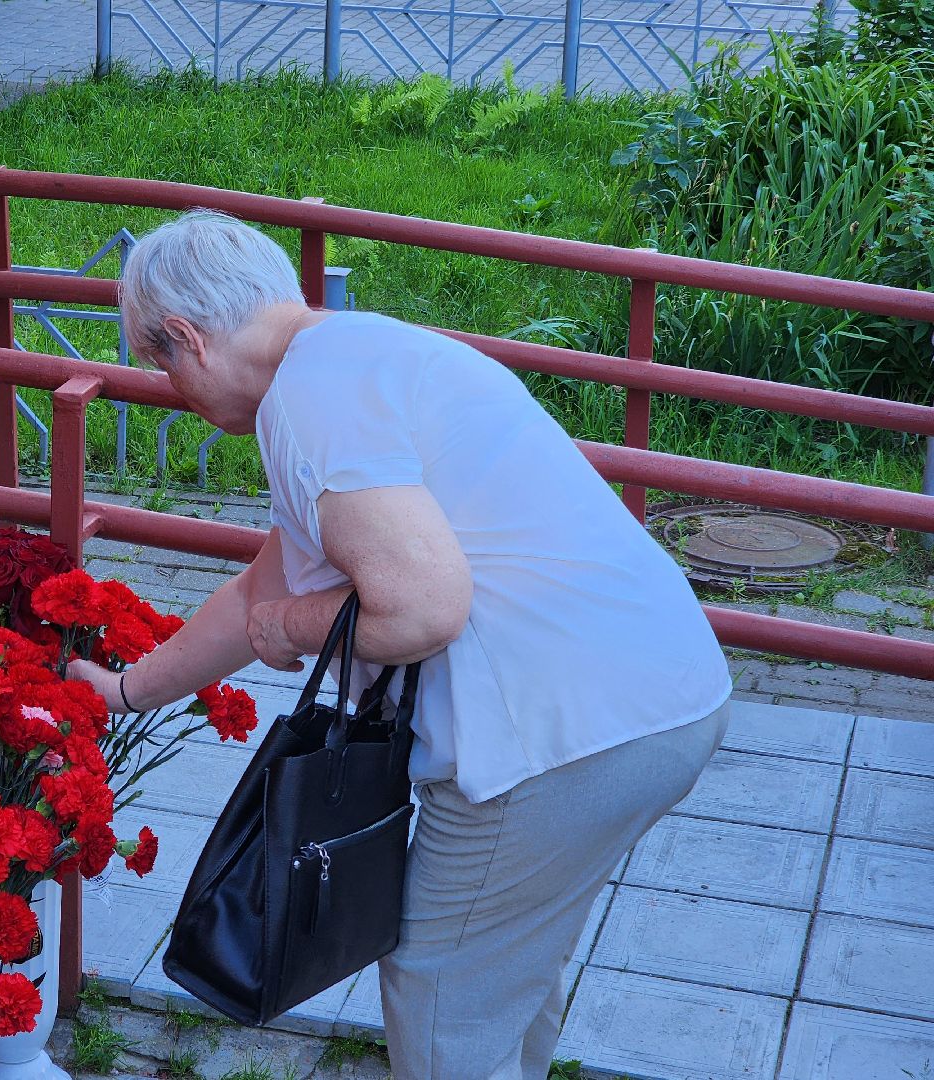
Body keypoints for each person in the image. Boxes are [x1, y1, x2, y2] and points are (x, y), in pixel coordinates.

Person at [67, 210, 732, 1080]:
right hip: (662, 697)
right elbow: (255, 593)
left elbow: (419, 610)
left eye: (157, 362)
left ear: (187, 339)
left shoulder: (310, 406)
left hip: (555, 738)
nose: (167, 386)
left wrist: (294, 631)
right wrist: (124, 690)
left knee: (439, 982)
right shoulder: (358, 354)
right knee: (506, 964)